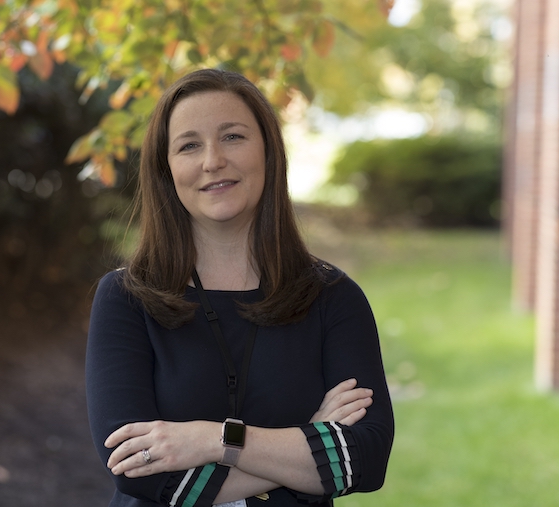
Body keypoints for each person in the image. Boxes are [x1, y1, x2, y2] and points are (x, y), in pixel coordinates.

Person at [86, 68, 394, 507]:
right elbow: (136, 470)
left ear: (268, 152)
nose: (212, 160)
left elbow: (364, 459)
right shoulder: (126, 299)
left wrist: (216, 441)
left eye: (232, 137)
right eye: (189, 145)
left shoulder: (333, 298)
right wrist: (306, 442)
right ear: (166, 169)